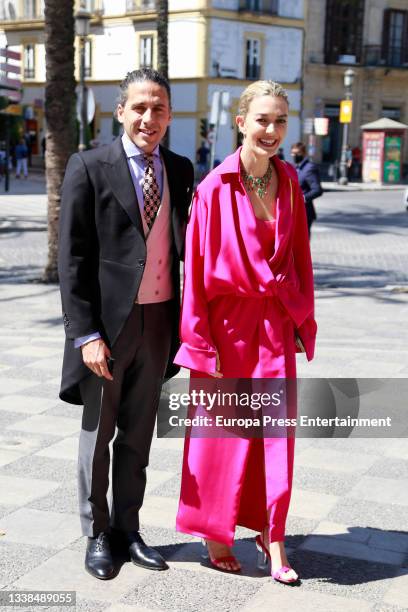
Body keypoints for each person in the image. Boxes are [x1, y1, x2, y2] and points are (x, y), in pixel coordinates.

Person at [174, 81, 316, 583]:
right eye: (262, 120)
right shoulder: (214, 187)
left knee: (276, 434)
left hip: (275, 323)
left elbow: (300, 256)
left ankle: (272, 538)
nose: (272, 130)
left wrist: (301, 319)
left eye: (280, 120)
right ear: (241, 123)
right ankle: (216, 531)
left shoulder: (291, 180)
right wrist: (198, 343)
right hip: (227, 327)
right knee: (226, 434)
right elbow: (194, 271)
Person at [58, 68, 194, 580]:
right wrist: (85, 334)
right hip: (108, 330)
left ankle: (128, 528)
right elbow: (72, 259)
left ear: (169, 115)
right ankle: (96, 535)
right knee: (98, 436)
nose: (148, 117)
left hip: (159, 322)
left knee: (138, 435)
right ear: (120, 111)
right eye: (139, 107)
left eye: (158, 108)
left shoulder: (180, 170)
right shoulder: (89, 166)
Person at [290, 141, 323, 237]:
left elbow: (317, 190)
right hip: (293, 211)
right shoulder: (293, 166)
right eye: (293, 153)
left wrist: (302, 198)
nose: (295, 155)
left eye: (298, 153)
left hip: (305, 212)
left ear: (303, 153)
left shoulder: (310, 168)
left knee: (302, 243)